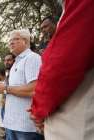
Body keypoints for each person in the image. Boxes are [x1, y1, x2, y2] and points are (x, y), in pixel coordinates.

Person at [30, 0, 94, 140]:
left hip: (76, 122)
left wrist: (38, 108)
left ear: (56, 23)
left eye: (46, 27)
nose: (44, 31)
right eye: (42, 29)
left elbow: (60, 67)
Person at [0, 29, 43, 140]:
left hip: (25, 127)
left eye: (15, 39)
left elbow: (34, 89)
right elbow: (15, 87)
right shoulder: (17, 62)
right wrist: (1, 86)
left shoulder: (32, 58)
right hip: (12, 124)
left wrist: (6, 88)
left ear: (25, 41)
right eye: (9, 40)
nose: (11, 42)